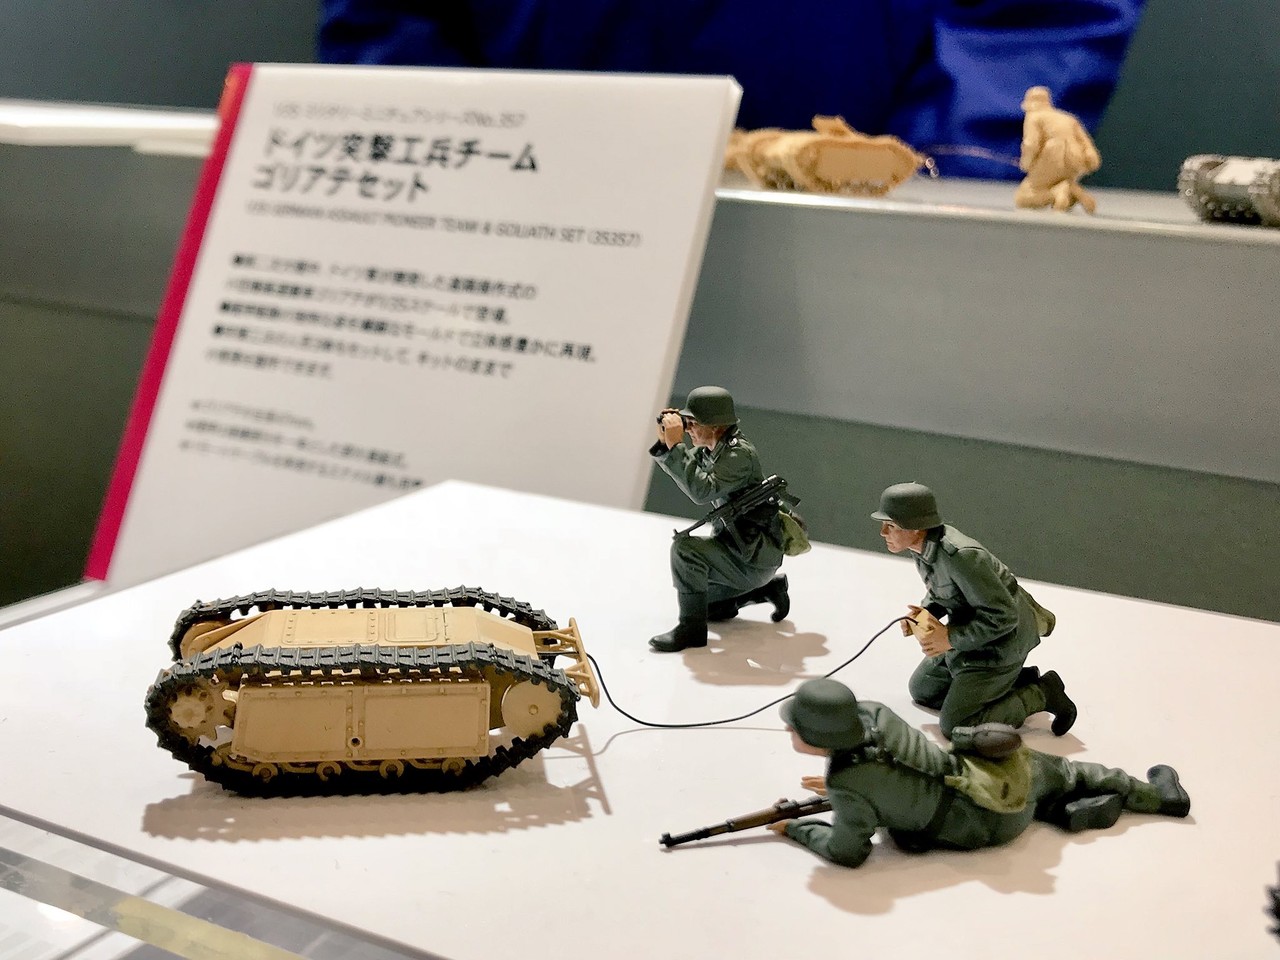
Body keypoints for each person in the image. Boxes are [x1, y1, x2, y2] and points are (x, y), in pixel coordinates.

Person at [317, 0, 1147, 181]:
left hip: (852, 241)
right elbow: (394, 25)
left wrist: (931, 187)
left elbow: (1035, 23)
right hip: (515, 229)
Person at [768, 678, 1190, 868]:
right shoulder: (874, 714)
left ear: (819, 735)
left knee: (1035, 797)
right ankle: (1155, 796)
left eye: (796, 727)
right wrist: (851, 791)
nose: (789, 730)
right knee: (1068, 770)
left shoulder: (848, 782)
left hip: (983, 826)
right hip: (987, 775)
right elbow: (902, 765)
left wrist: (797, 828)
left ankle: (1058, 811)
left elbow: (848, 852)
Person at [873, 482, 1075, 738]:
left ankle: (1042, 692)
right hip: (971, 634)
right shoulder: (922, 548)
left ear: (915, 527)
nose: (883, 532)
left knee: (958, 726)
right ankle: (1010, 684)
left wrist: (948, 638)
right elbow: (944, 590)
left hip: (1001, 644)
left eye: (891, 526)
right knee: (924, 690)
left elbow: (1004, 617)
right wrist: (925, 613)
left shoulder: (961, 556)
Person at [648, 385, 789, 652]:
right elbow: (688, 468)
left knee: (685, 550)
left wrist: (676, 445)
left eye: (693, 423)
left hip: (751, 556)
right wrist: (667, 442)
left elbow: (701, 491)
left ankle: (691, 631)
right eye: (686, 423)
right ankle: (766, 589)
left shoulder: (738, 455)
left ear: (715, 426)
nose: (688, 429)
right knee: (708, 606)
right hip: (739, 550)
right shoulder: (713, 450)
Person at [1014, 86, 1103, 212]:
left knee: (1023, 198)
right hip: (1076, 159)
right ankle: (1070, 188)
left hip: (1053, 157)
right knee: (1060, 188)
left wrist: (1026, 163)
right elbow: (1085, 143)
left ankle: (1057, 192)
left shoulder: (1034, 116)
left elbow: (1031, 144)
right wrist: (1091, 161)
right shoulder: (1068, 118)